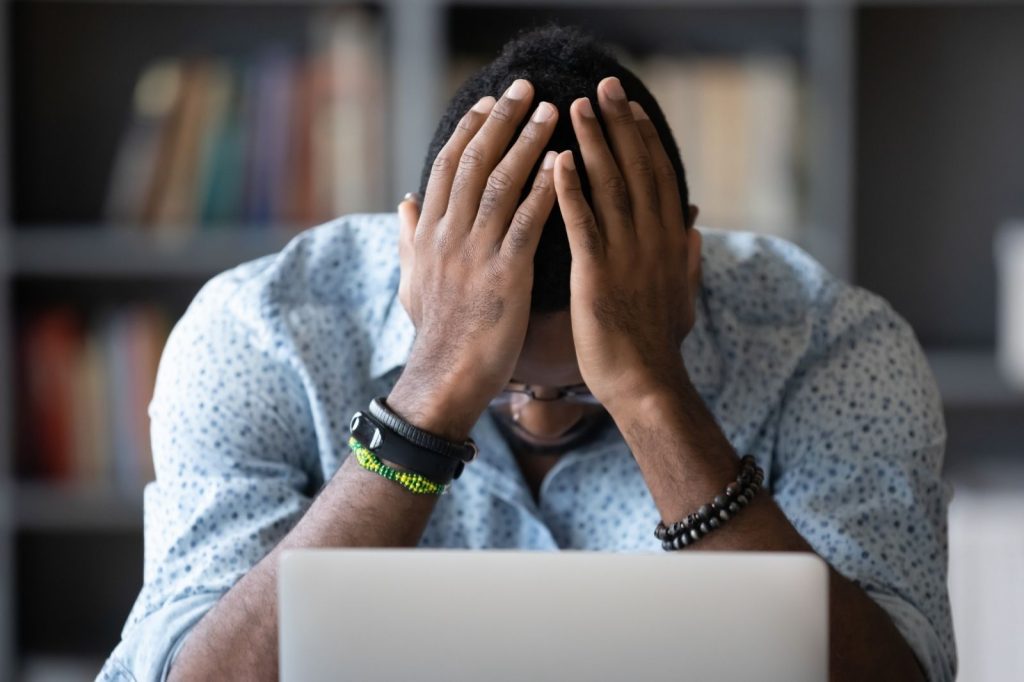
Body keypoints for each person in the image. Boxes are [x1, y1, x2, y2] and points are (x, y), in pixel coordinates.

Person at [99, 25, 955, 682]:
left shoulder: (834, 348)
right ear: (415, 262)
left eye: (582, 389)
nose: (541, 415)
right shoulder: (258, 333)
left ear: (684, 269)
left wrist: (654, 398)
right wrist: (432, 394)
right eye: (506, 386)